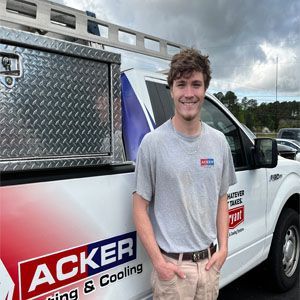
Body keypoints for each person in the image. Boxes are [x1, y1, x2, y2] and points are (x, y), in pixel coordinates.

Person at [133, 48, 237, 300]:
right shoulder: (153, 143)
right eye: (181, 85)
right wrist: (159, 263)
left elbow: (222, 197)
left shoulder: (219, 142)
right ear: (172, 90)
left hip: (210, 265)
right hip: (173, 271)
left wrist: (223, 249)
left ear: (205, 89)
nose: (188, 93)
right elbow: (139, 207)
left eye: (196, 85)